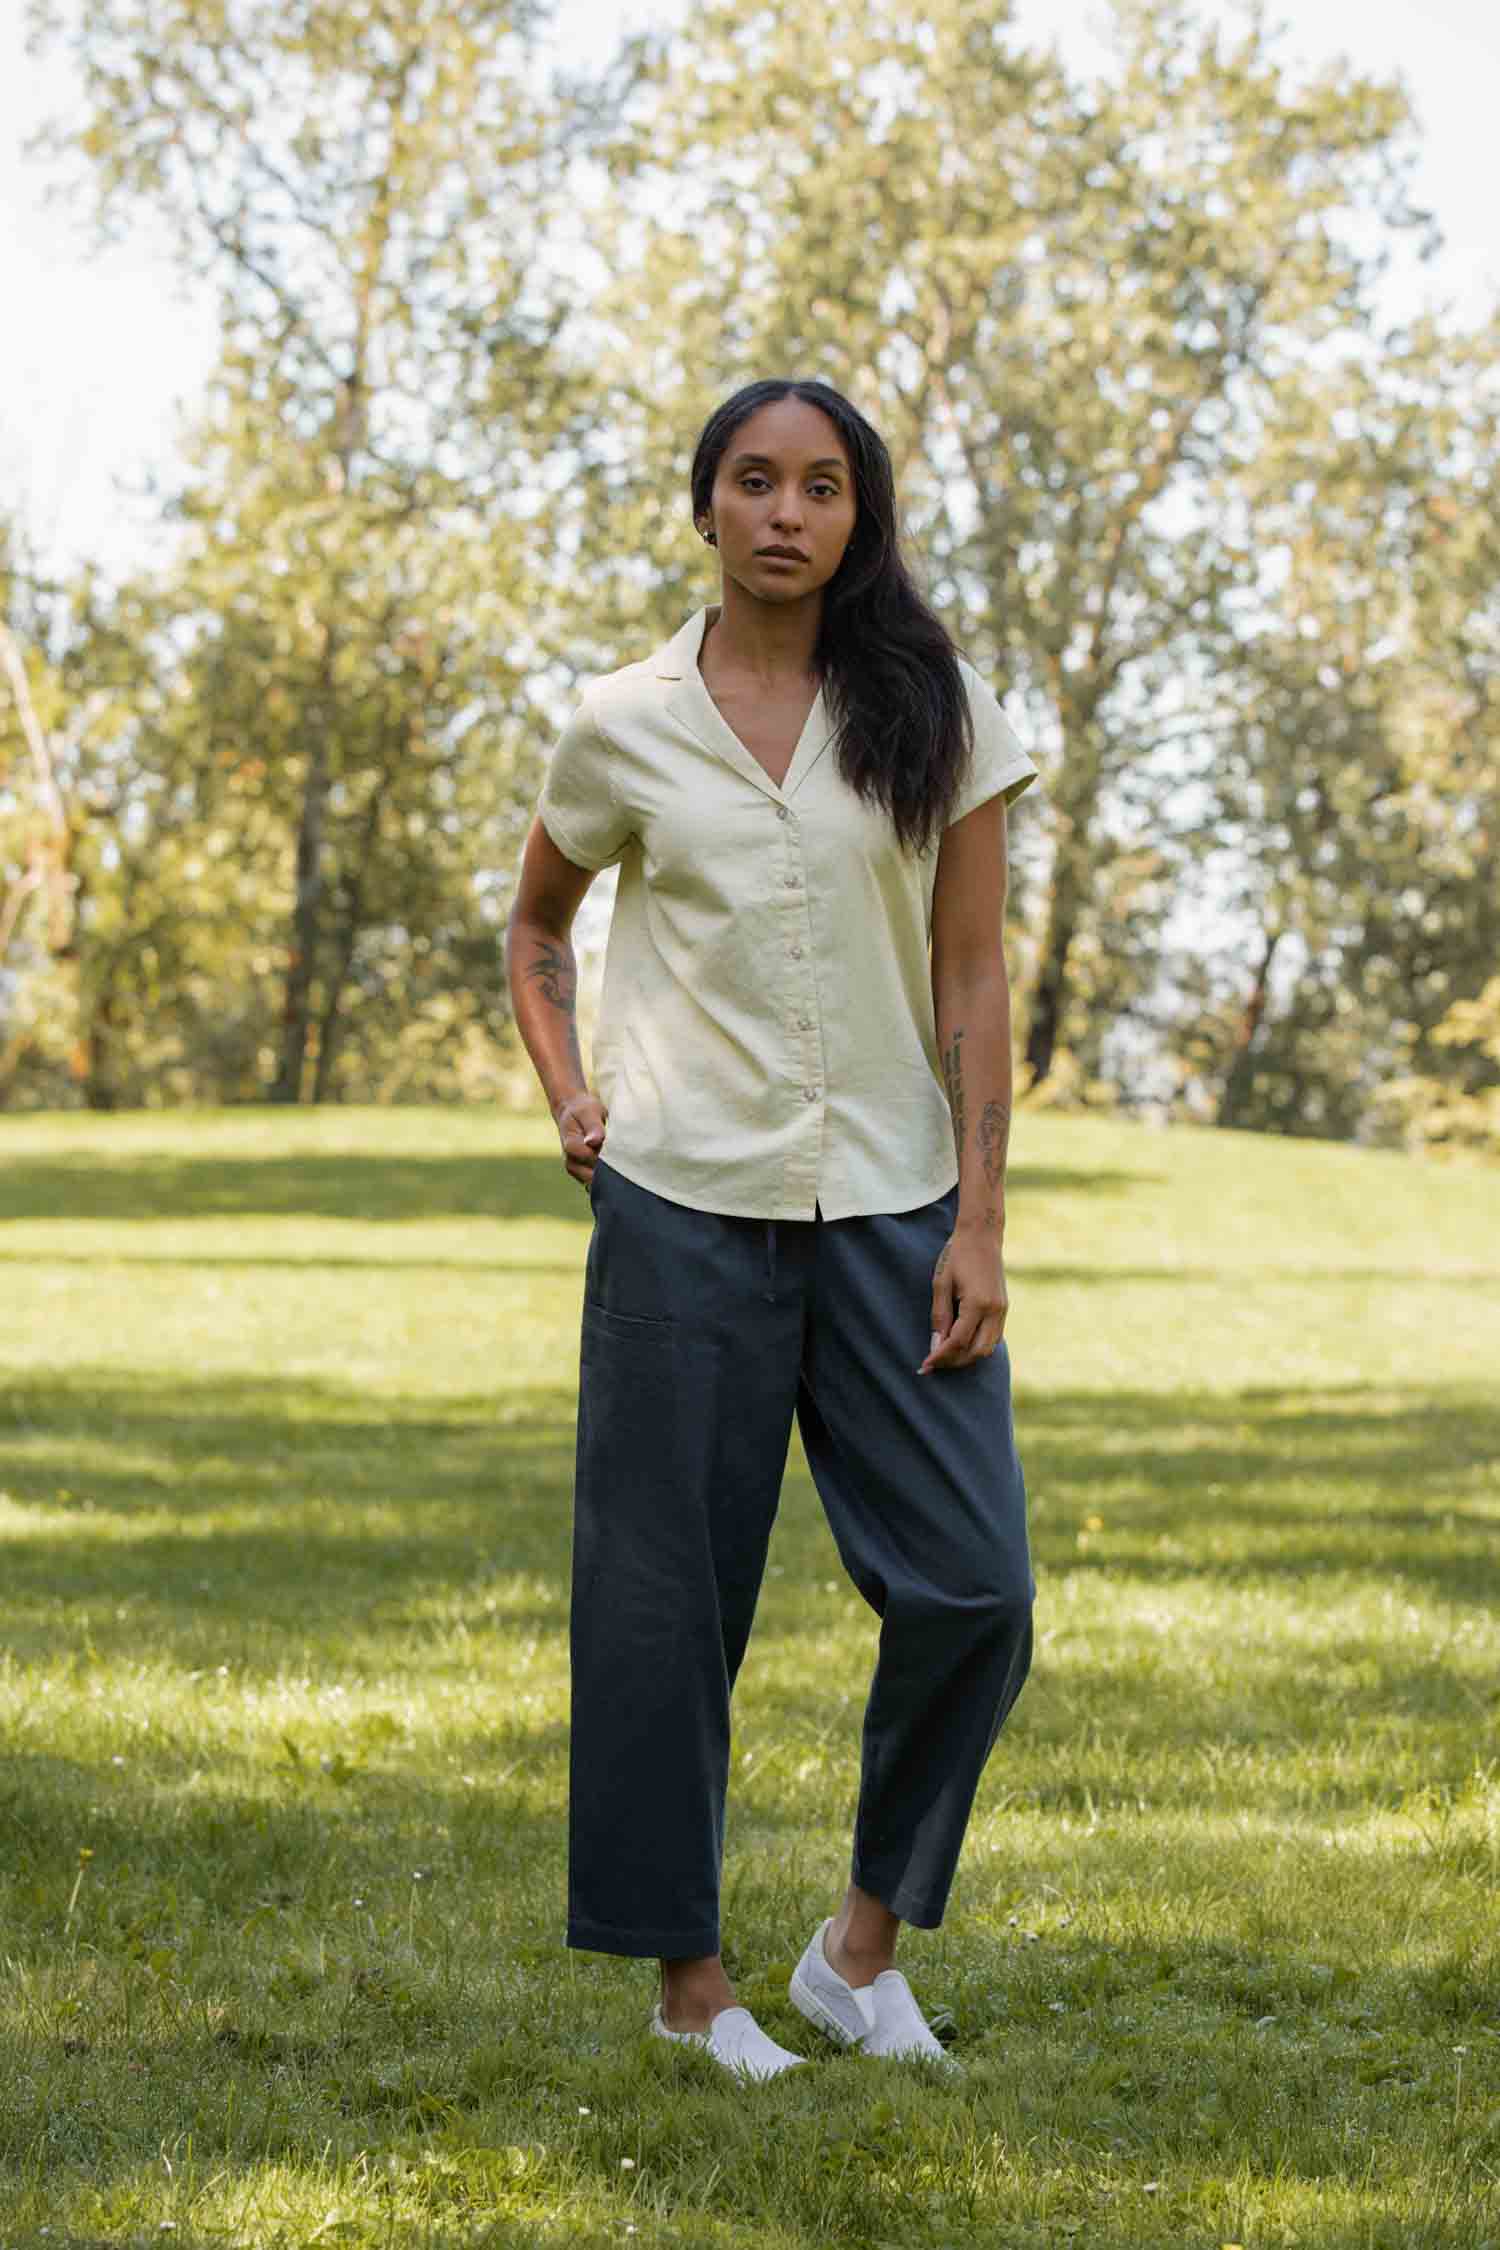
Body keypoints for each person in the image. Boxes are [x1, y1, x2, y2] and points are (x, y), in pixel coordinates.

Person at [505, 377, 1038, 2082]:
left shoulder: (939, 708)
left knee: (976, 1580)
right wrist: (565, 1087)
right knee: (665, 1605)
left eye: (822, 485)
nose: (787, 511)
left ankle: (855, 1953)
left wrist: (984, 1217)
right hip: (680, 1210)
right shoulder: (623, 719)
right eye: (755, 480)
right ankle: (694, 1983)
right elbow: (534, 928)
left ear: (858, 516)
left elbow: (971, 973)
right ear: (708, 504)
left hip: (896, 1210)